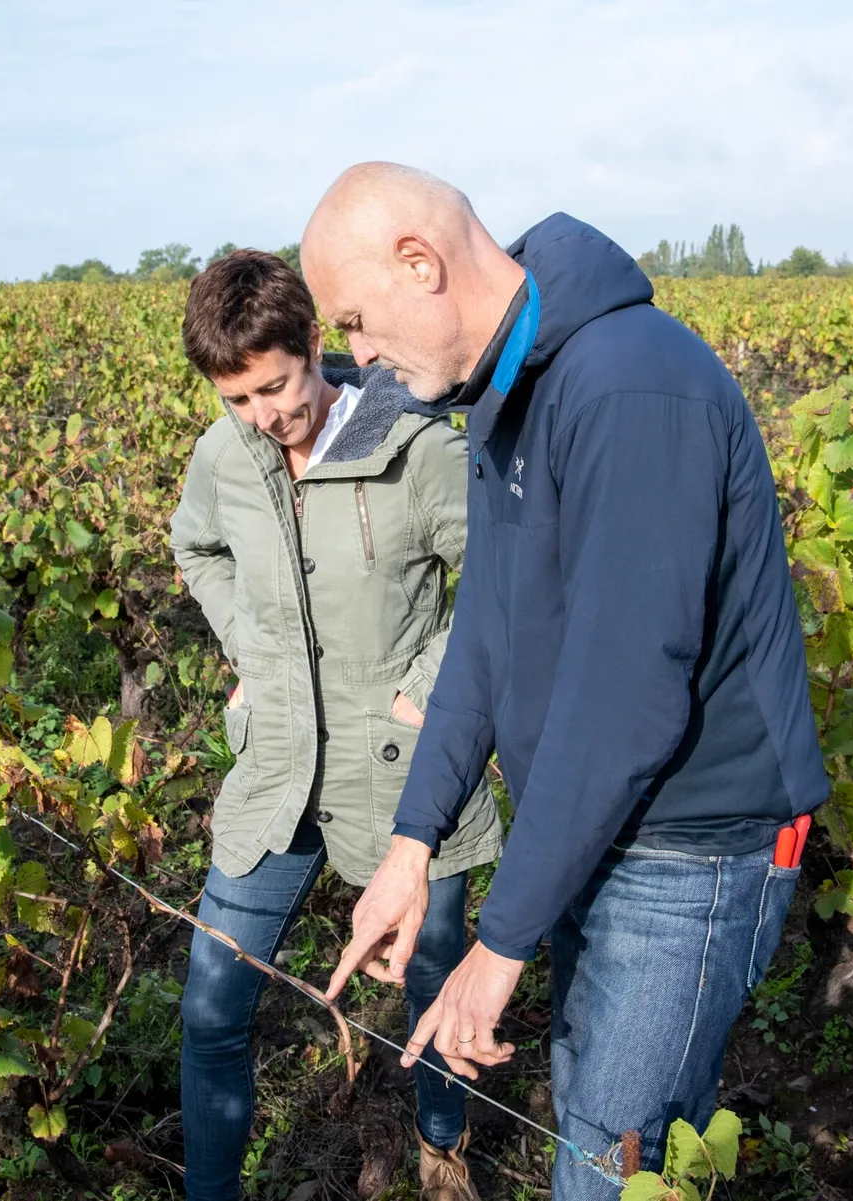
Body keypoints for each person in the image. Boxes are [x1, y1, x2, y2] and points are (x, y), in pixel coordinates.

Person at [303, 165, 829, 1198]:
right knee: (592, 1107)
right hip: (604, 825)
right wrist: (411, 848)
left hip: (694, 847)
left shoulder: (630, 385)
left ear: (422, 264)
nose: (354, 356)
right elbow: (483, 644)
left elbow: (624, 699)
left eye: (358, 320)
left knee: (615, 1155)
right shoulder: (505, 396)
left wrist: (498, 946)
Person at [169, 248, 501, 1201]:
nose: (264, 417)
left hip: (404, 773)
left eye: (275, 386)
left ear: (316, 343)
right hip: (275, 767)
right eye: (238, 400)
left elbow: (501, 579)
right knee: (212, 1007)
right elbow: (196, 547)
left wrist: (429, 685)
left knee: (432, 983)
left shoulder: (421, 447)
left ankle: (443, 1150)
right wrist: (250, 646)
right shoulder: (224, 456)